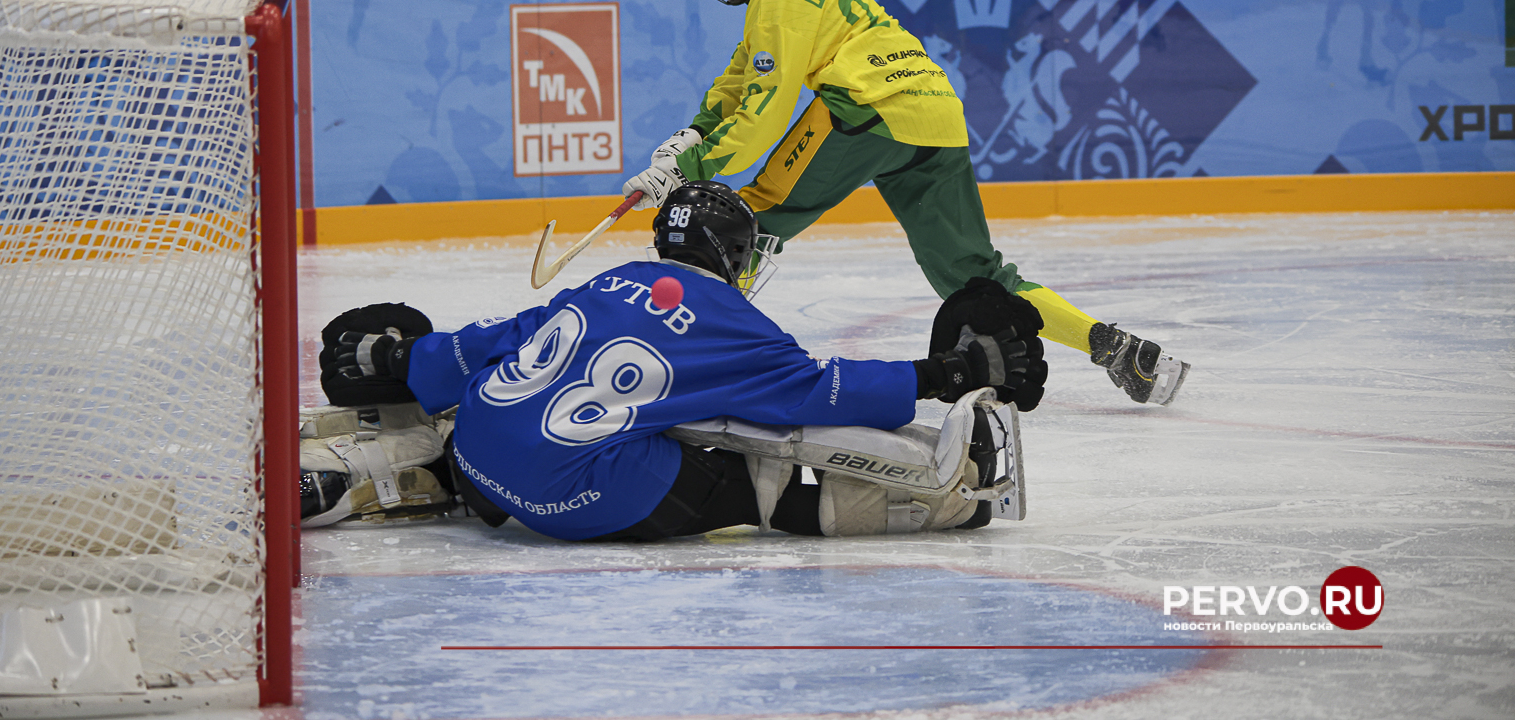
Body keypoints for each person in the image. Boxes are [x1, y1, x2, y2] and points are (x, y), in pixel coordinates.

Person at [620, 0, 1189, 407]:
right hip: (934, 116)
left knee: (745, 222)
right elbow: (738, 82)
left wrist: (690, 169)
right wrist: (690, 137)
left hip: (863, 110)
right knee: (977, 280)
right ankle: (1114, 348)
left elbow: (764, 110)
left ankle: (690, 364)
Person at [307, 181, 1047, 541]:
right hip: (575, 499)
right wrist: (946, 373)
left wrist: (399, 356)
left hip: (479, 454)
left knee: (512, 388)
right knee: (755, 467)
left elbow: (477, 346)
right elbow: (820, 394)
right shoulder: (732, 320)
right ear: (732, 253)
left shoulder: (602, 280)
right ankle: (942, 501)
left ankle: (411, 465)